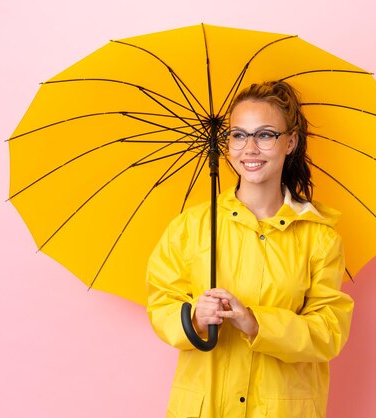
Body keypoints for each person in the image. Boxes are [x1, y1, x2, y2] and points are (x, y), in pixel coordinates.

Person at [146, 81, 354, 418]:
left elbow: (328, 332)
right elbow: (161, 304)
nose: (250, 148)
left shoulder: (319, 237)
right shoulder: (191, 227)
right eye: (239, 135)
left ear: (291, 142)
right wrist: (194, 317)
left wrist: (257, 323)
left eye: (265, 135)